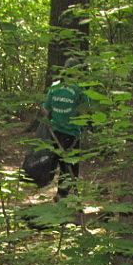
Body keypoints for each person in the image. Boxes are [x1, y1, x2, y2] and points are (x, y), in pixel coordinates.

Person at [41, 58, 89, 199]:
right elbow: (84, 113)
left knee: (59, 164)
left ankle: (60, 195)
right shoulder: (80, 90)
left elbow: (45, 110)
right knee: (70, 168)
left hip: (55, 133)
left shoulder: (54, 87)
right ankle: (62, 197)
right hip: (71, 134)